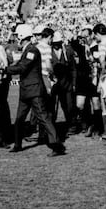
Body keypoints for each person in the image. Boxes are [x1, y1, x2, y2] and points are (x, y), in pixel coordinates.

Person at [5, 24, 66, 157]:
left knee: (43, 117)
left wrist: (5, 69)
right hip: (27, 89)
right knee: (20, 119)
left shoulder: (32, 50)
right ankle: (17, 144)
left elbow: (23, 67)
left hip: (33, 90)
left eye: (17, 36)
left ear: (21, 36)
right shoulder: (29, 49)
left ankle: (57, 145)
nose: (16, 39)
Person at [50, 31, 77, 136]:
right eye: (54, 43)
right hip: (54, 83)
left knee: (69, 106)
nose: (56, 46)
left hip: (67, 83)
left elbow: (73, 68)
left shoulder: (68, 51)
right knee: (53, 107)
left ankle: (72, 124)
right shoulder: (49, 51)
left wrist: (74, 83)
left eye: (58, 43)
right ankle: (52, 127)